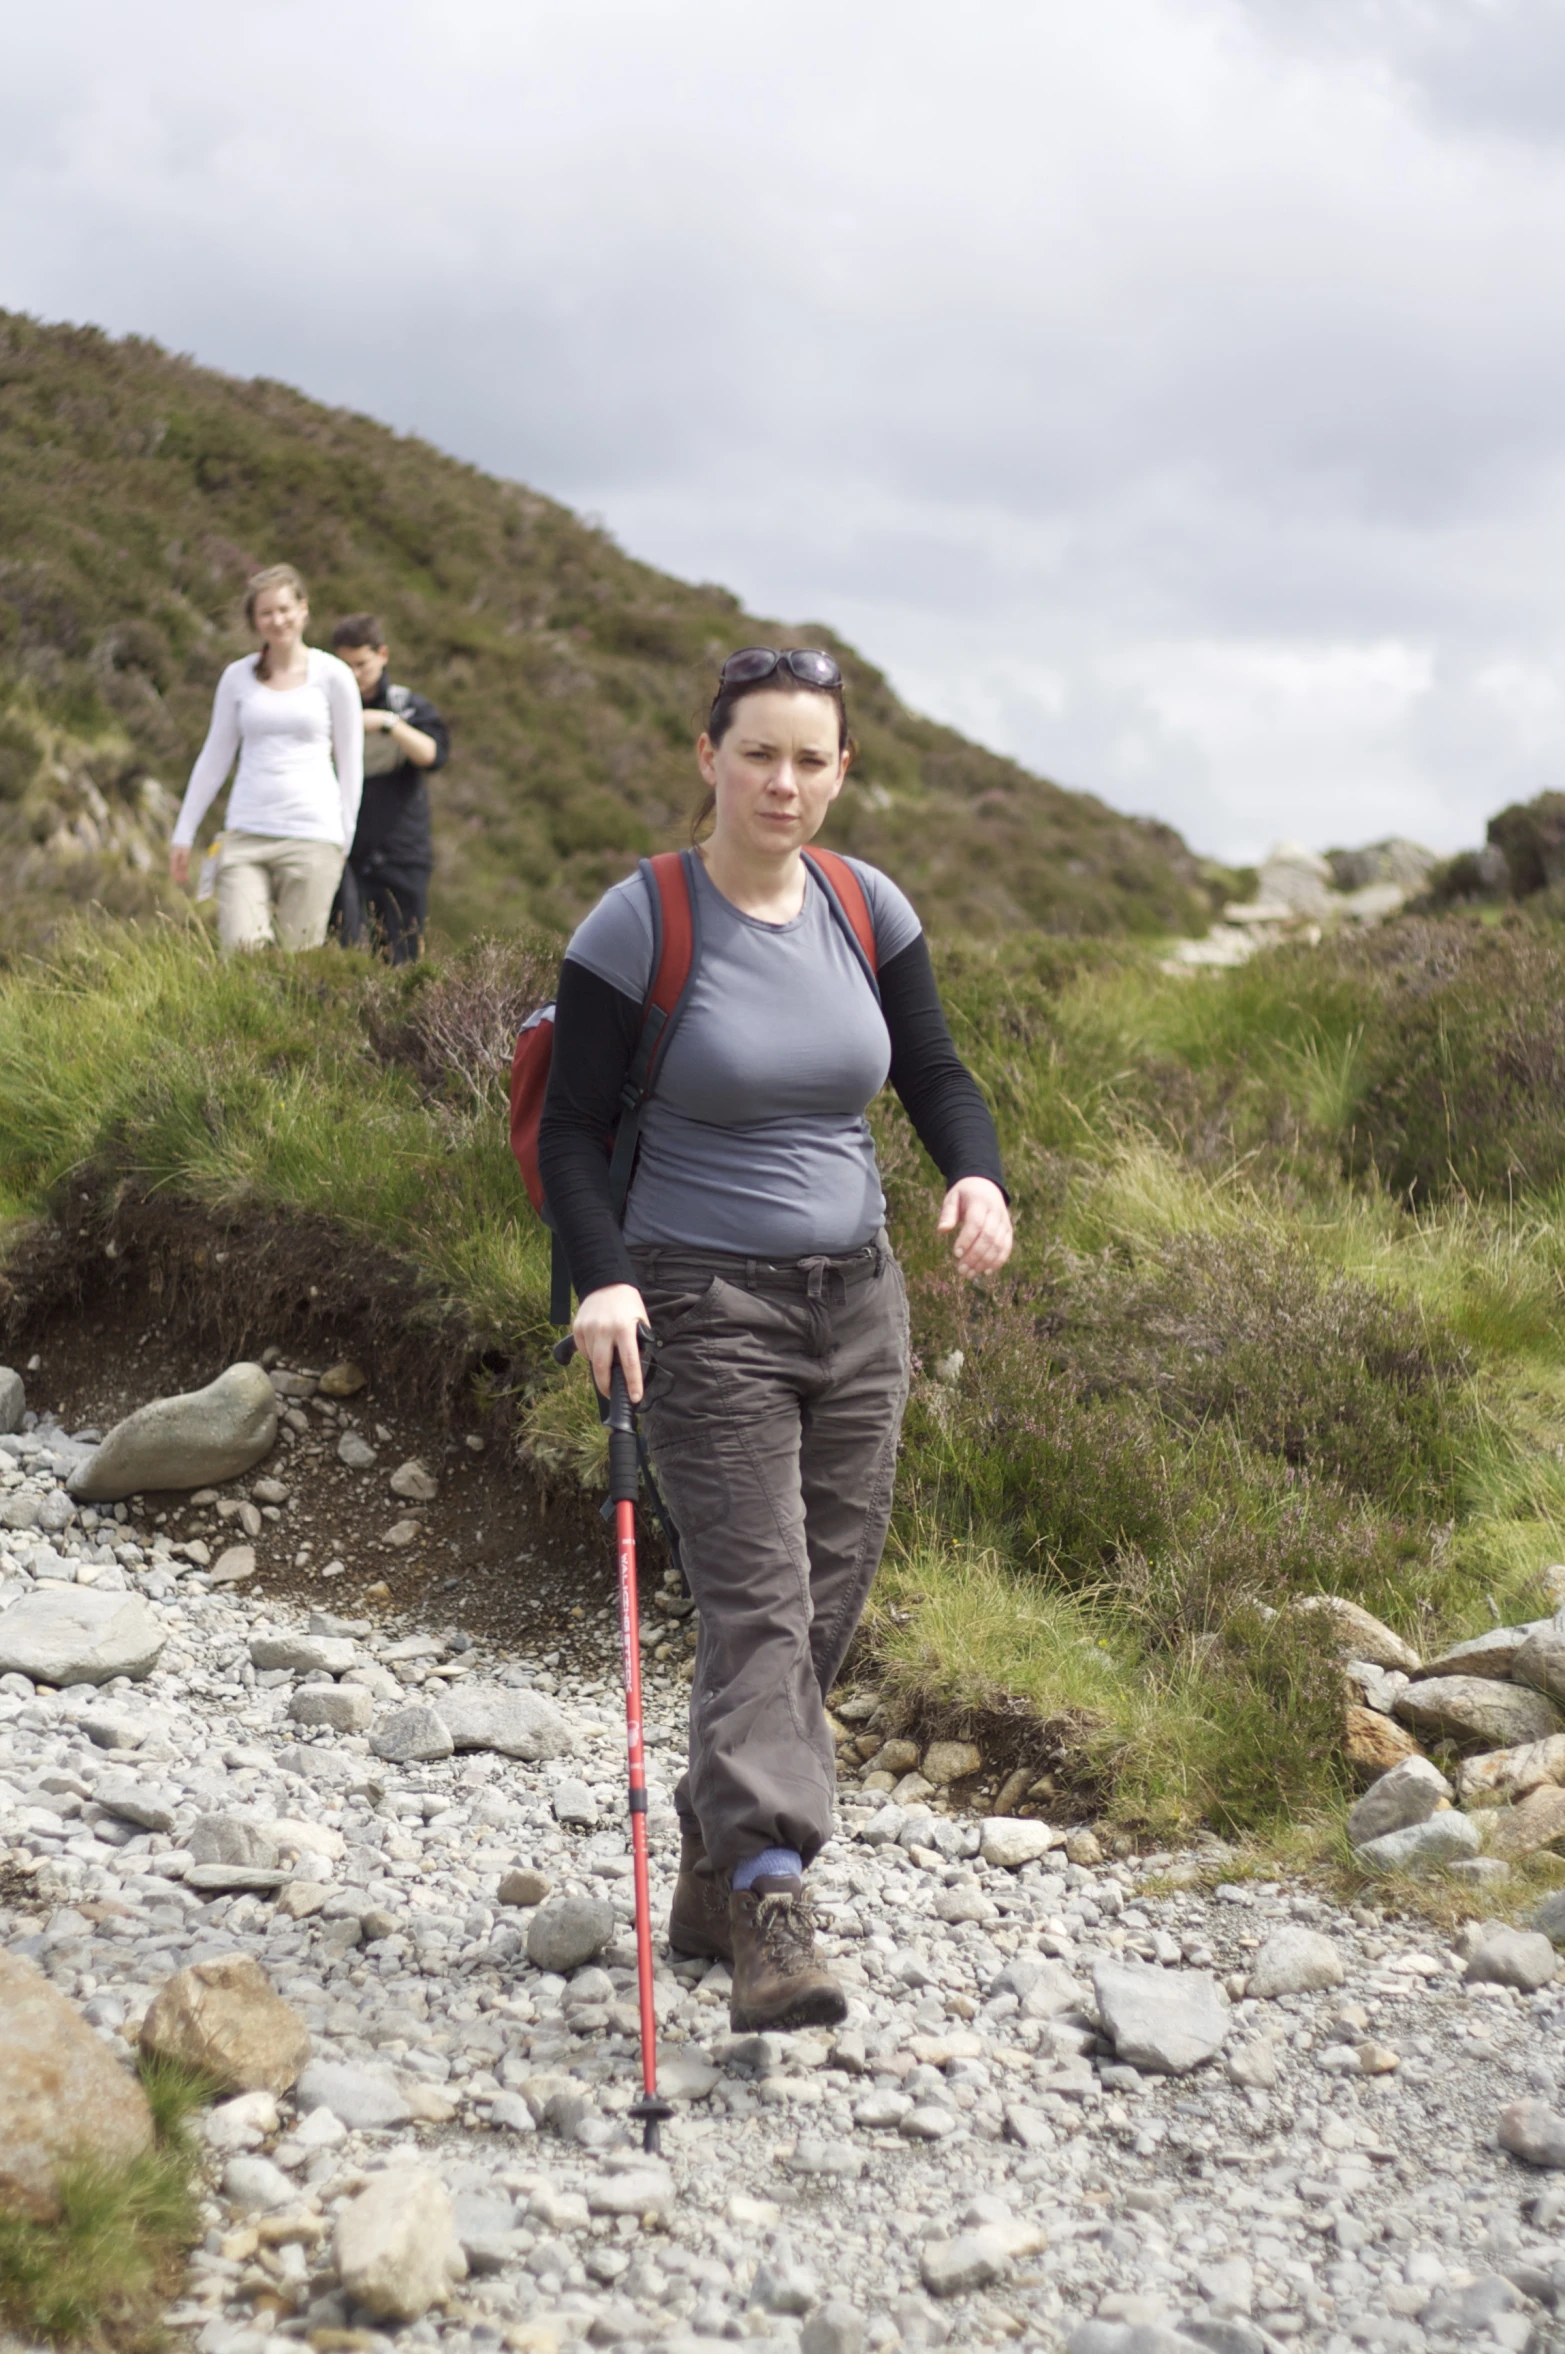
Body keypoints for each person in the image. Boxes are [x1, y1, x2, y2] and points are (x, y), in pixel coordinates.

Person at [537, 646, 1012, 2034]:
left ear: (842, 768)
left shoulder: (867, 905)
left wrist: (972, 1171)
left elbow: (931, 1069)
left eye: (811, 757)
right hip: (697, 1300)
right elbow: (571, 1127)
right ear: (708, 756)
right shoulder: (641, 920)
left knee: (824, 1600)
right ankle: (765, 1893)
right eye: (759, 753)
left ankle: (704, 1861)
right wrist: (601, 1280)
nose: (784, 782)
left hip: (859, 1297)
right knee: (758, 1599)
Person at [169, 565, 363, 952]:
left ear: (303, 610)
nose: (278, 620)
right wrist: (183, 832)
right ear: (255, 621)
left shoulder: (334, 675)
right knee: (241, 952)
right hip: (246, 833)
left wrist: (345, 837)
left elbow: (351, 761)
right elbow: (214, 757)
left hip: (313, 836)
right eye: (266, 613)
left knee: (299, 963)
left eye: (285, 609)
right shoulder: (236, 678)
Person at [329, 616, 449, 964]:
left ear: (383, 654)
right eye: (344, 665)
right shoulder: (324, 707)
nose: (353, 674)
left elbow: (434, 755)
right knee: (344, 952)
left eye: (361, 664)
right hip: (344, 852)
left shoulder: (407, 705)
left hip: (401, 855)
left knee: (402, 958)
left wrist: (386, 723)